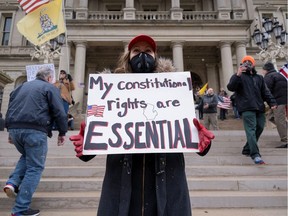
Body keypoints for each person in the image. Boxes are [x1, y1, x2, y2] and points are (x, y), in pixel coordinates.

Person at [69, 34, 215, 216]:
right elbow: (100, 139)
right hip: (123, 186)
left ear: (155, 56)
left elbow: (186, 133)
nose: (142, 55)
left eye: (148, 51)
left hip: (165, 184)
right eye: (136, 51)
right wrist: (86, 145)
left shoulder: (174, 90)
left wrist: (202, 142)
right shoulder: (110, 91)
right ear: (128, 57)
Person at [3, 66, 68, 216]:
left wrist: (9, 129)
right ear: (50, 78)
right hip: (35, 130)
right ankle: (20, 209)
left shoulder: (22, 87)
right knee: (35, 168)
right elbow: (59, 111)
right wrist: (62, 132)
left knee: (27, 156)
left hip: (15, 128)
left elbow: (10, 107)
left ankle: (12, 183)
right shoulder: (49, 88)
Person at [227, 56, 277, 165]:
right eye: (245, 62)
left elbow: (265, 91)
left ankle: (246, 149)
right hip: (246, 108)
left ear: (253, 64)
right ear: (242, 64)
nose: (247, 64)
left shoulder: (259, 78)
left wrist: (272, 102)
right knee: (251, 130)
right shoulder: (239, 77)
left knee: (259, 127)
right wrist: (238, 74)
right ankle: (255, 154)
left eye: (250, 62)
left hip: (259, 107)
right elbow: (230, 87)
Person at [262, 61, 287, 148]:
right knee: (271, 117)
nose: (262, 72)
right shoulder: (279, 75)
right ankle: (286, 130)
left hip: (278, 101)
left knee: (279, 120)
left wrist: (261, 101)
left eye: (263, 70)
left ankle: (285, 140)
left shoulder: (269, 76)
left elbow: (265, 90)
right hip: (282, 100)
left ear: (266, 70)